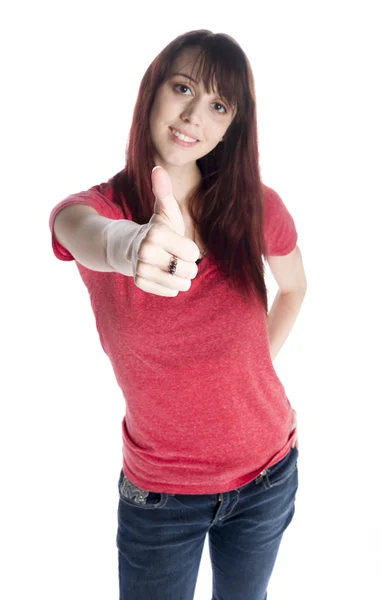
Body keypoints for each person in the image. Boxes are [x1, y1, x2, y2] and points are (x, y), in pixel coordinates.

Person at [49, 29, 307, 600]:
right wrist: (132, 245)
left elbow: (295, 289)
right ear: (153, 90)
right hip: (162, 497)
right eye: (182, 87)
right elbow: (86, 234)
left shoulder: (258, 208)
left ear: (232, 126)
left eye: (218, 105)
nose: (193, 115)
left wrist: (250, 366)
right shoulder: (92, 211)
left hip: (268, 473)